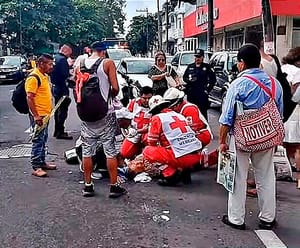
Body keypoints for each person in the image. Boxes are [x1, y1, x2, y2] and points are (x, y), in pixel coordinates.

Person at [219, 44, 283, 230]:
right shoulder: (274, 83)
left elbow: (226, 119)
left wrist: (222, 142)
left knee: (238, 177)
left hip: (242, 140)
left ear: (241, 63)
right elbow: (279, 113)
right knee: (266, 176)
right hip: (267, 137)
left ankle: (236, 219)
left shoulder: (237, 85)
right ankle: (268, 218)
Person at [80, 41, 127, 198]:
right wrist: (109, 96)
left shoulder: (80, 62)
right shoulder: (107, 63)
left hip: (86, 114)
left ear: (91, 50)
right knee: (109, 150)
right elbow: (116, 88)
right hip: (105, 113)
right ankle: (114, 186)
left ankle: (88, 186)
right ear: (104, 51)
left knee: (87, 150)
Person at [143, 95, 202, 186]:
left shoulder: (157, 118)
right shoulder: (179, 115)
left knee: (148, 151)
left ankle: (171, 175)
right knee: (174, 148)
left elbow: (151, 142)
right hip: (196, 155)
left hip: (182, 157)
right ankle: (185, 173)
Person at [25, 54, 56, 177]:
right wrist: (36, 116)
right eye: (49, 64)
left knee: (43, 139)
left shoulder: (44, 76)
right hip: (39, 115)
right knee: (38, 140)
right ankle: (36, 166)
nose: (51, 66)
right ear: (41, 64)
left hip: (45, 114)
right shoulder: (34, 77)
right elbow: (29, 97)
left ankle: (42, 162)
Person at [281, 47, 300, 186]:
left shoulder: (282, 68)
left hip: (282, 110)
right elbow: (296, 92)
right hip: (294, 110)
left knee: (285, 144)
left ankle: (285, 169)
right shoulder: (298, 72)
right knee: (298, 146)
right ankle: (299, 176)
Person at [120, 86, 153, 160]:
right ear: (140, 96)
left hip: (149, 133)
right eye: (144, 98)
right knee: (125, 153)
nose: (147, 100)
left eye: (149, 98)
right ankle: (136, 149)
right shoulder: (133, 102)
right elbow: (125, 116)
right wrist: (127, 129)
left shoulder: (155, 104)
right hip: (134, 132)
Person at [183, 48, 216, 120]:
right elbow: (184, 77)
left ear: (202, 57)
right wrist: (189, 80)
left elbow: (213, 80)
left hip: (202, 95)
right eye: (196, 57)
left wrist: (207, 90)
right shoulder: (190, 67)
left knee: (202, 115)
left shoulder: (207, 67)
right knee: (191, 113)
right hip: (191, 94)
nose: (197, 58)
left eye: (199, 57)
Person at [51, 44, 73, 140]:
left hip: (55, 86)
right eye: (69, 53)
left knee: (57, 109)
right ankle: (60, 131)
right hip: (61, 88)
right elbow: (65, 74)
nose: (69, 56)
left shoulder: (54, 58)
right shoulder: (63, 60)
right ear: (66, 51)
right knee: (63, 110)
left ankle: (56, 130)